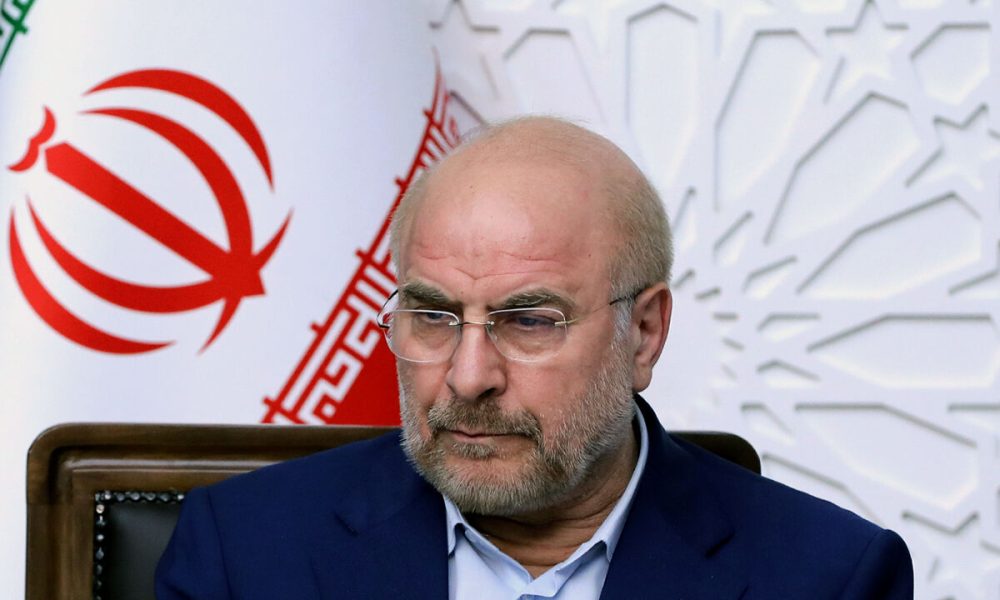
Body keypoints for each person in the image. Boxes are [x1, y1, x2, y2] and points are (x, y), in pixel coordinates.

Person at [156, 117, 913, 599]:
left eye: (528, 322)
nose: (468, 377)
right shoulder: (244, 553)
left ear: (644, 333)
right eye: (433, 316)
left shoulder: (827, 577)